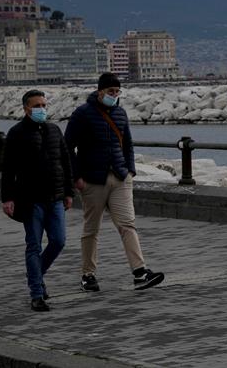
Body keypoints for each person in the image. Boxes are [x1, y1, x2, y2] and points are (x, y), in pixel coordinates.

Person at [66, 72, 164, 292]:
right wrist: (76, 177)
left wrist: (130, 171)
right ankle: (87, 274)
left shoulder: (120, 113)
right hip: (93, 179)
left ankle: (140, 272)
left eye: (118, 92)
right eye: (111, 91)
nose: (115, 95)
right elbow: (67, 146)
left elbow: (127, 144)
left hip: (120, 177)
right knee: (92, 228)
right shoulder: (82, 114)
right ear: (100, 91)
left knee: (127, 224)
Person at [1, 89, 74, 312]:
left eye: (44, 105)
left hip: (55, 198)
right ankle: (36, 293)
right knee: (33, 245)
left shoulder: (54, 130)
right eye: (37, 106)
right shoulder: (16, 133)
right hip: (30, 200)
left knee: (58, 241)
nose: (42, 109)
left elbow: (65, 161)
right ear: (26, 109)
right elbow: (8, 169)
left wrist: (69, 192)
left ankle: (35, 274)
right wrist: (8, 198)